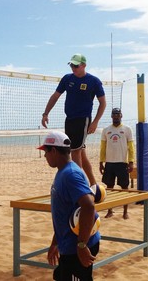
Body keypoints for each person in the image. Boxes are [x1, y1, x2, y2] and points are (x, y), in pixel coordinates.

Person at [39, 131, 101, 281]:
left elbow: (89, 207)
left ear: (53, 151)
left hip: (77, 247)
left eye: (45, 151)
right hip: (68, 245)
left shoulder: (70, 174)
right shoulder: (63, 171)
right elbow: (65, 213)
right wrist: (56, 243)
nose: (45, 156)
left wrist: (81, 246)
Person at [41, 53, 107, 191]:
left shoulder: (93, 81)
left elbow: (103, 103)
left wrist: (95, 122)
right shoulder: (67, 78)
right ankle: (93, 184)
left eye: (76, 65)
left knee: (74, 151)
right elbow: (55, 96)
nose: (73, 67)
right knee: (81, 151)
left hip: (83, 120)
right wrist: (46, 113)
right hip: (69, 119)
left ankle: (79, 186)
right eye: (71, 65)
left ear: (84, 65)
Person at [99, 108, 135, 219]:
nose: (116, 116)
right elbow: (103, 147)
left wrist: (131, 162)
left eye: (118, 114)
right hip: (110, 163)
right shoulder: (106, 130)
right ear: (111, 116)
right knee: (109, 188)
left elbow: (131, 148)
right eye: (114, 114)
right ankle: (110, 210)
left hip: (122, 163)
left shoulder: (127, 129)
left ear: (121, 116)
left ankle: (125, 212)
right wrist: (101, 162)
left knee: (124, 187)